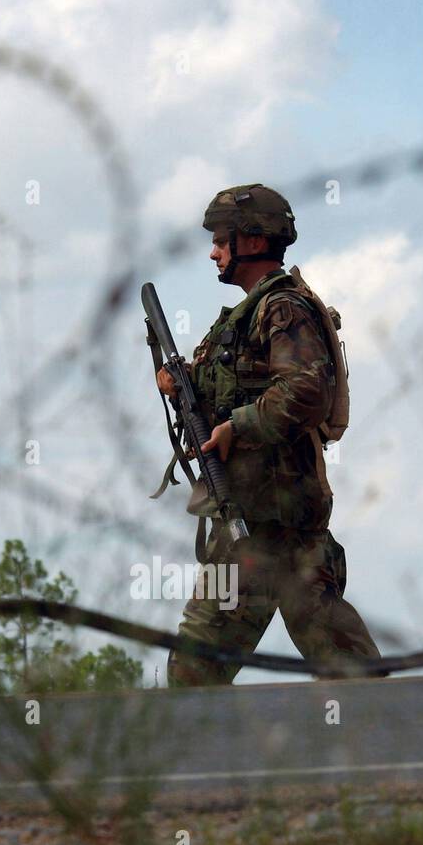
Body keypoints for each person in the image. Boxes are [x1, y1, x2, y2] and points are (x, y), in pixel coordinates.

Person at [156, 183, 381, 686]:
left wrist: (236, 426)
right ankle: (419, 751)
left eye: (221, 239)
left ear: (253, 242)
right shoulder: (251, 314)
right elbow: (243, 387)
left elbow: (304, 392)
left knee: (195, 672)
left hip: (262, 523)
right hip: (275, 516)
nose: (213, 251)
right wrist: (183, 385)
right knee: (350, 669)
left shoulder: (281, 308)